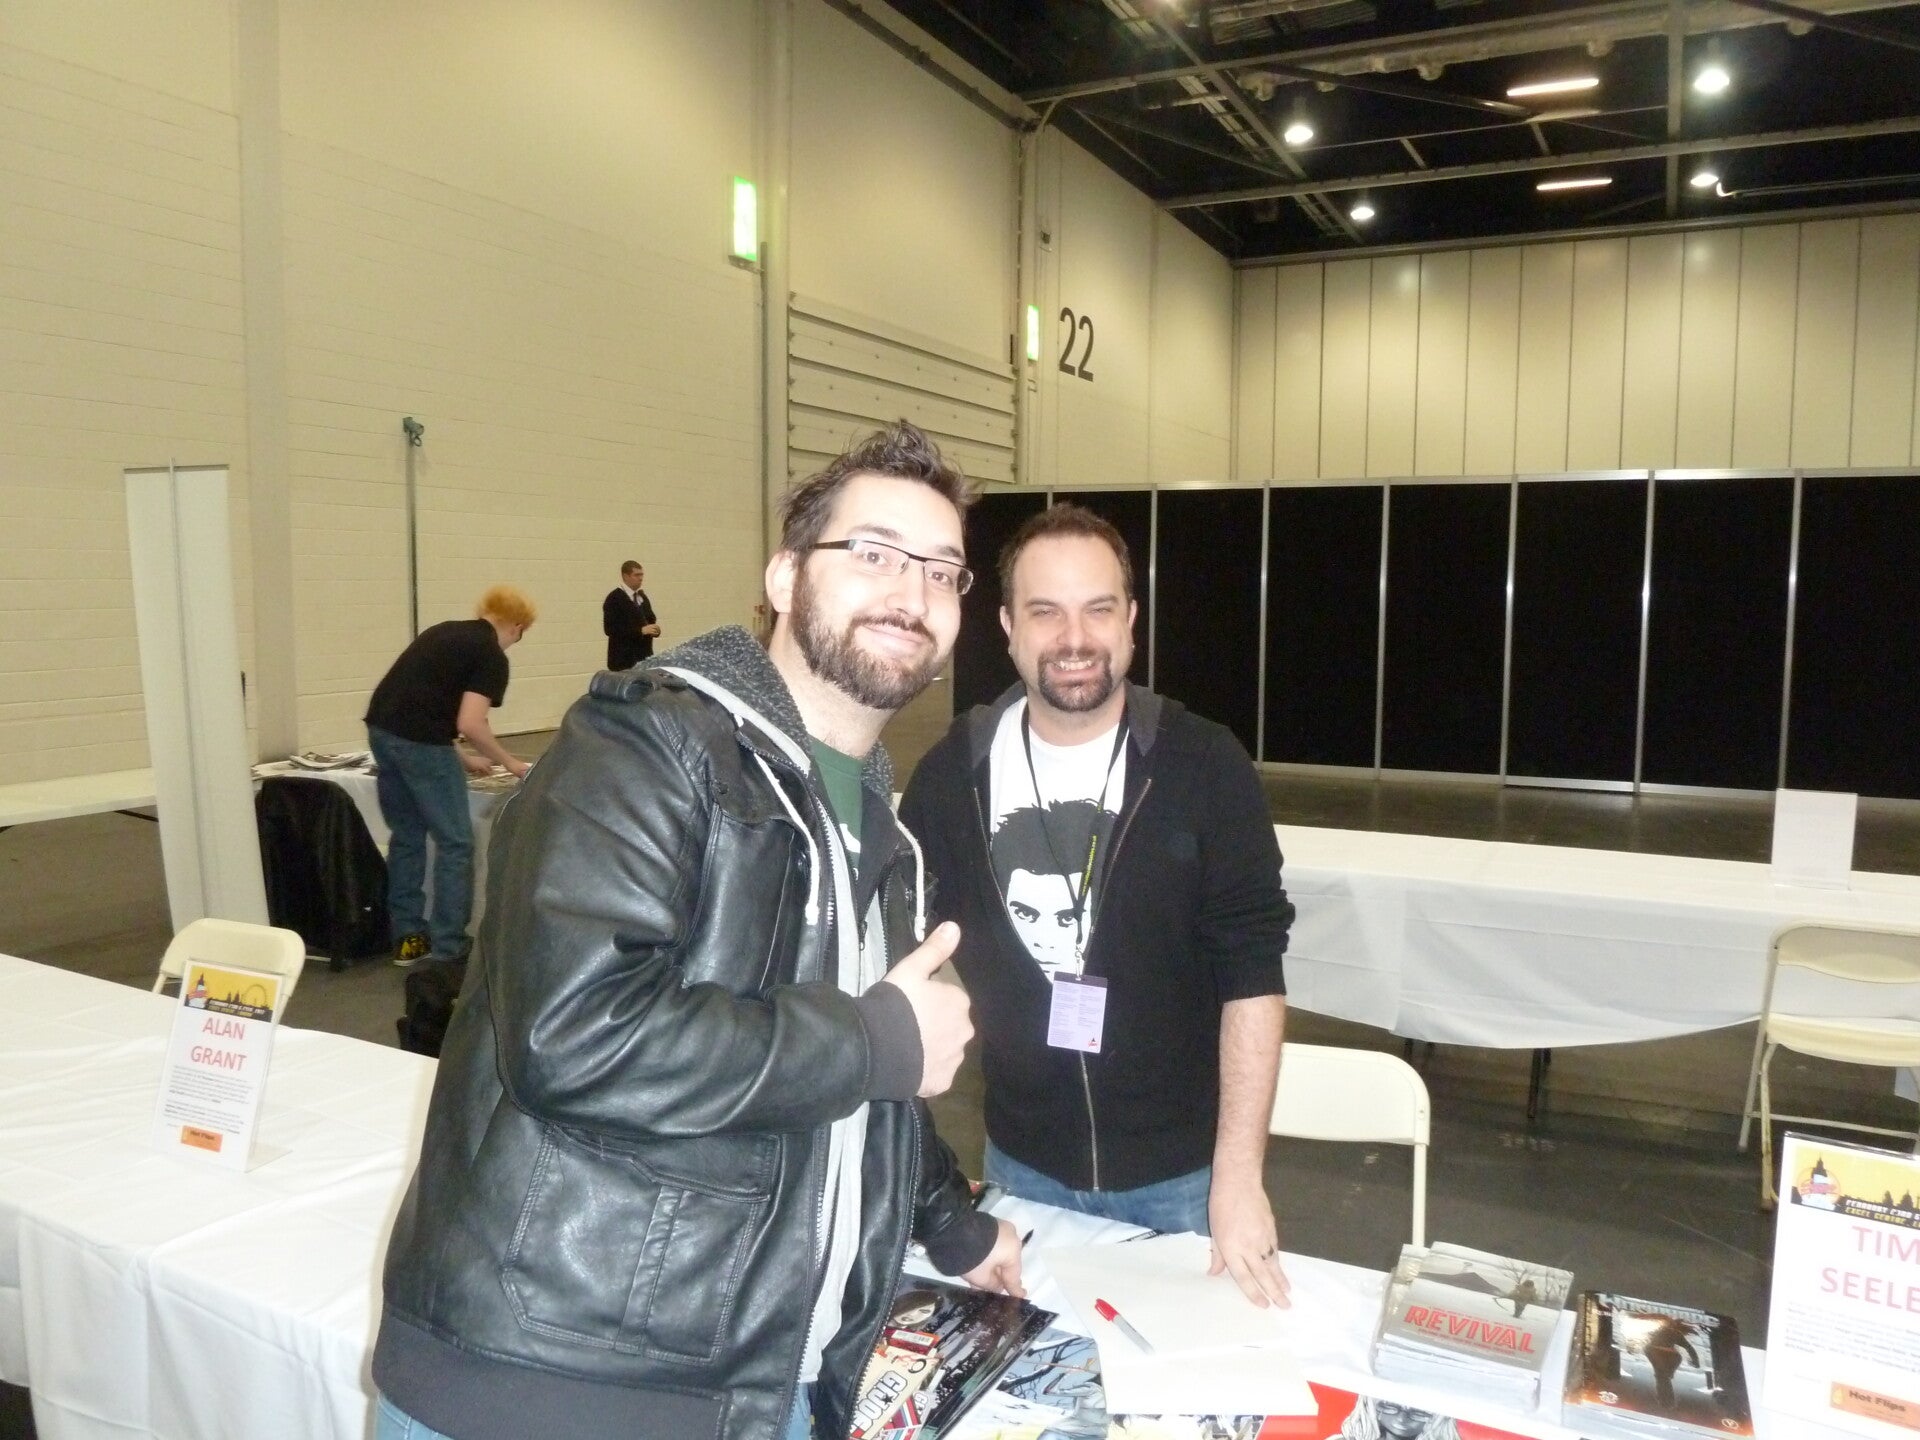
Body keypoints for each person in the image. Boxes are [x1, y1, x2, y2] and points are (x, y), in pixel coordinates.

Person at [370, 422, 1024, 1440]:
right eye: (875, 553)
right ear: (784, 577)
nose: (913, 590)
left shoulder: (875, 828)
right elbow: (575, 1035)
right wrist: (878, 1040)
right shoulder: (643, 744)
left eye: (942, 570)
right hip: (557, 1381)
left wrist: (945, 1217)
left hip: (745, 1379)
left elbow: (840, 1072)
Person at [900, 502, 1295, 1309]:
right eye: (1046, 611)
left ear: (1131, 622)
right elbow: (896, 963)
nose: (1074, 638)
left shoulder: (1202, 765)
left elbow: (1252, 974)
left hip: (1184, 1183)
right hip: (1020, 1172)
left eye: (1098, 609)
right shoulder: (952, 777)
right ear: (1008, 627)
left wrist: (1237, 1175)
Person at [364, 585, 534, 967]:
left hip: (383, 733)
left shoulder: (444, 632)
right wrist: (509, 762)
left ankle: (407, 938)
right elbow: (471, 723)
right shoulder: (491, 655)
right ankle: (449, 944)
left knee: (407, 836)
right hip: (420, 744)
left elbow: (423, 702)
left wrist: (460, 756)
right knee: (455, 843)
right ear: (517, 626)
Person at [603, 559, 660, 669]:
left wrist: (654, 630)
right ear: (625, 576)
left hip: (643, 658)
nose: (640, 578)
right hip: (623, 660)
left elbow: (650, 620)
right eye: (636, 575)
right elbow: (610, 629)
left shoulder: (642, 597)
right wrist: (640, 631)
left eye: (642, 575)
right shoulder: (614, 598)